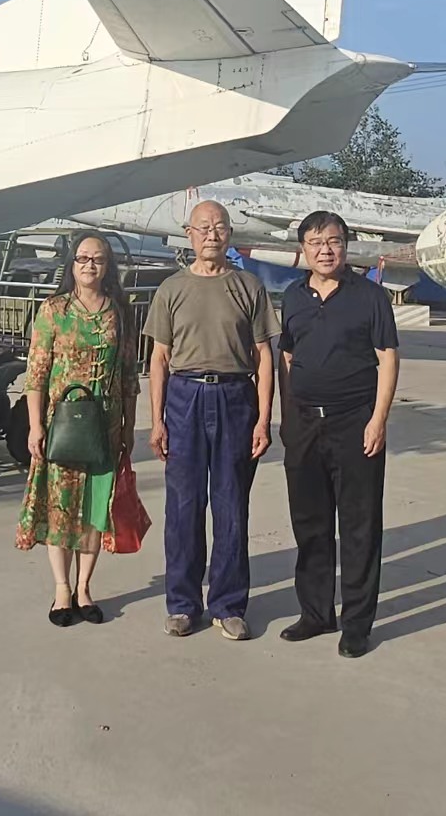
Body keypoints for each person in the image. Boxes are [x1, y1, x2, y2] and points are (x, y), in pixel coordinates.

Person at [145, 200, 278, 639]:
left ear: (230, 234)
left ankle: (228, 604)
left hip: (235, 398)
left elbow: (264, 356)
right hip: (184, 397)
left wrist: (263, 420)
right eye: (203, 227)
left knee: (231, 505)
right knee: (183, 507)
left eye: (219, 227)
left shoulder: (248, 286)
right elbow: (159, 358)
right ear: (189, 234)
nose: (211, 235)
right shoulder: (171, 289)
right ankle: (183, 604)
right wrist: (157, 420)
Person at [273, 210, 398, 658]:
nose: (325, 250)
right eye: (315, 242)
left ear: (345, 246)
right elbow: (288, 356)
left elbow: (387, 357)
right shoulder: (294, 296)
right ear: (303, 249)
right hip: (305, 422)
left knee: (359, 525)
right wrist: (288, 416)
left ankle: (357, 624)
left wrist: (378, 419)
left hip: (355, 421)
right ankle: (315, 613)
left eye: (333, 241)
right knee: (310, 522)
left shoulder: (370, 297)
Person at [16, 234, 138, 626]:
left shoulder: (119, 311)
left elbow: (128, 375)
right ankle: (61, 589)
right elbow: (36, 372)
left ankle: (84, 587)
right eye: (83, 258)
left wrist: (129, 426)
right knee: (61, 506)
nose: (89, 266)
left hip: (105, 426)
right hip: (63, 424)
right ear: (71, 264)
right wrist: (35, 426)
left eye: (98, 259)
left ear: (108, 266)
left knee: (94, 508)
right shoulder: (54, 310)